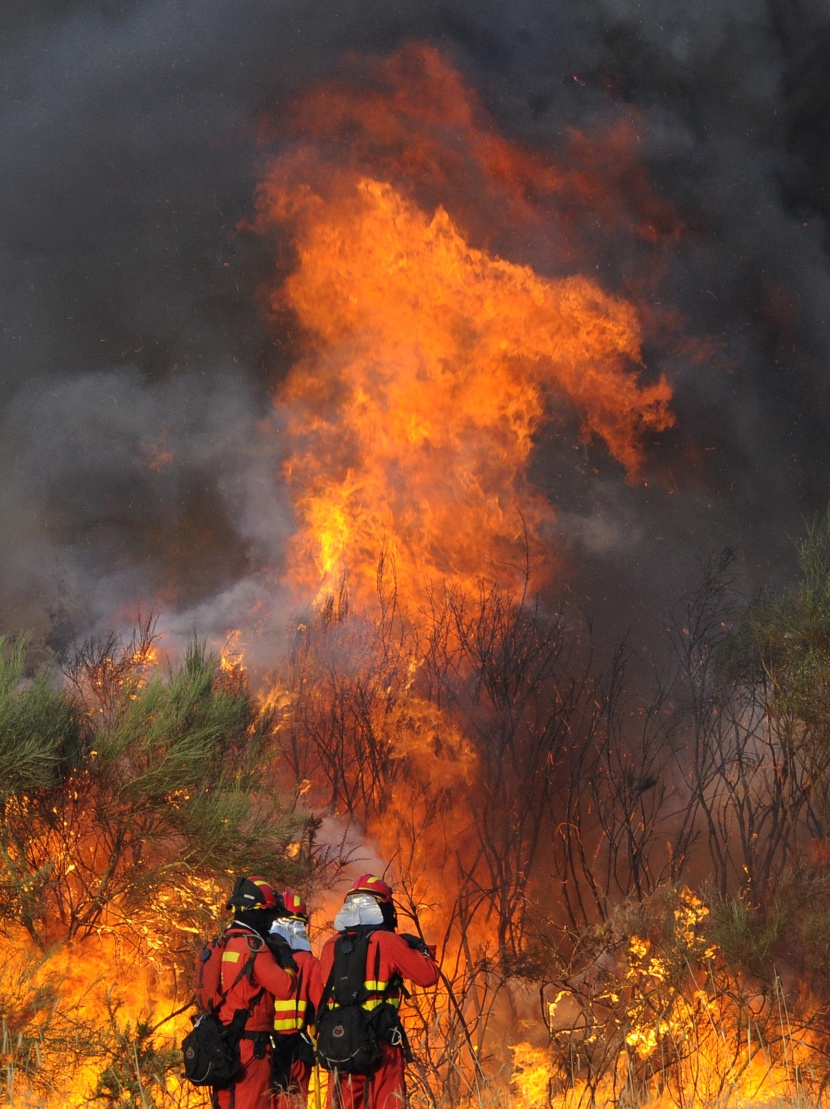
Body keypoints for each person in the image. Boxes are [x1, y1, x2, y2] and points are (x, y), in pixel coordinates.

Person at [317, 874, 439, 1109]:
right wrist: (420, 949)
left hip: (340, 1049)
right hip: (381, 1050)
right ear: (383, 908)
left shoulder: (330, 946)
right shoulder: (388, 941)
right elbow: (428, 977)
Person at [195, 876, 298, 1109]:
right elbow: (285, 987)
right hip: (251, 1051)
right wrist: (287, 961)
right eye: (269, 913)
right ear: (258, 911)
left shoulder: (220, 943)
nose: (270, 921)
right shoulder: (254, 946)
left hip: (220, 1046)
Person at [269, 891, 323, 1109]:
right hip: (294, 1053)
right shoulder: (308, 963)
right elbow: (323, 1009)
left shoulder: (259, 955)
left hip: (261, 1050)